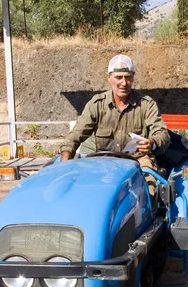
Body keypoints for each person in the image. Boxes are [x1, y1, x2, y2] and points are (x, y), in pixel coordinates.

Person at [59, 54, 170, 197]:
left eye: (127, 77)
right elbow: (74, 136)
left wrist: (152, 143)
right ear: (109, 77)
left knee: (148, 193)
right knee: (82, 194)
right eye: (119, 77)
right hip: (102, 163)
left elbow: (162, 134)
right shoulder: (97, 104)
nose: (123, 82)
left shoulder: (146, 104)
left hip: (138, 162)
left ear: (133, 78)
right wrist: (63, 166)